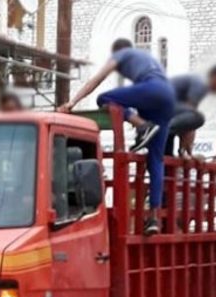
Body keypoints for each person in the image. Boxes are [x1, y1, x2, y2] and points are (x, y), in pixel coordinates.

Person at [58, 38, 175, 236]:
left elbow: (96, 80)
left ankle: (142, 126)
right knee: (156, 160)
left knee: (104, 98)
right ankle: (153, 217)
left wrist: (71, 103)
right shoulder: (146, 58)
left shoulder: (121, 54)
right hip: (167, 97)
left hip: (152, 90)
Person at [166, 64, 216, 155]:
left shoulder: (196, 82)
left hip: (162, 112)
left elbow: (184, 122)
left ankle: (163, 138)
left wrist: (182, 151)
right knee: (198, 118)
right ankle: (162, 133)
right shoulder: (201, 83)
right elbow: (189, 123)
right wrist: (187, 152)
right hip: (161, 108)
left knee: (166, 156)